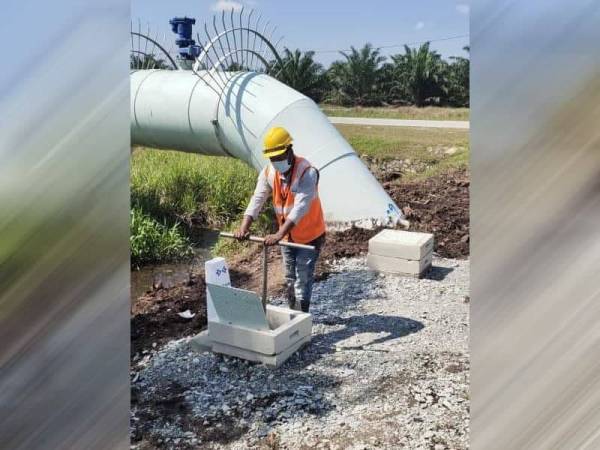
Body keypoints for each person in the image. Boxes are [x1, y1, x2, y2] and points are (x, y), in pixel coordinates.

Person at [234, 126, 326, 312]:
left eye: (279, 157)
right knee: (289, 278)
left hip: (309, 236)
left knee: (303, 277)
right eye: (272, 158)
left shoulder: (307, 173)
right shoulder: (269, 173)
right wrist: (244, 226)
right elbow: (257, 199)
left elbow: (300, 208)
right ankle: (293, 314)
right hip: (287, 238)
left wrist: (278, 234)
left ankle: (301, 320)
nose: (276, 161)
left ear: (289, 150)